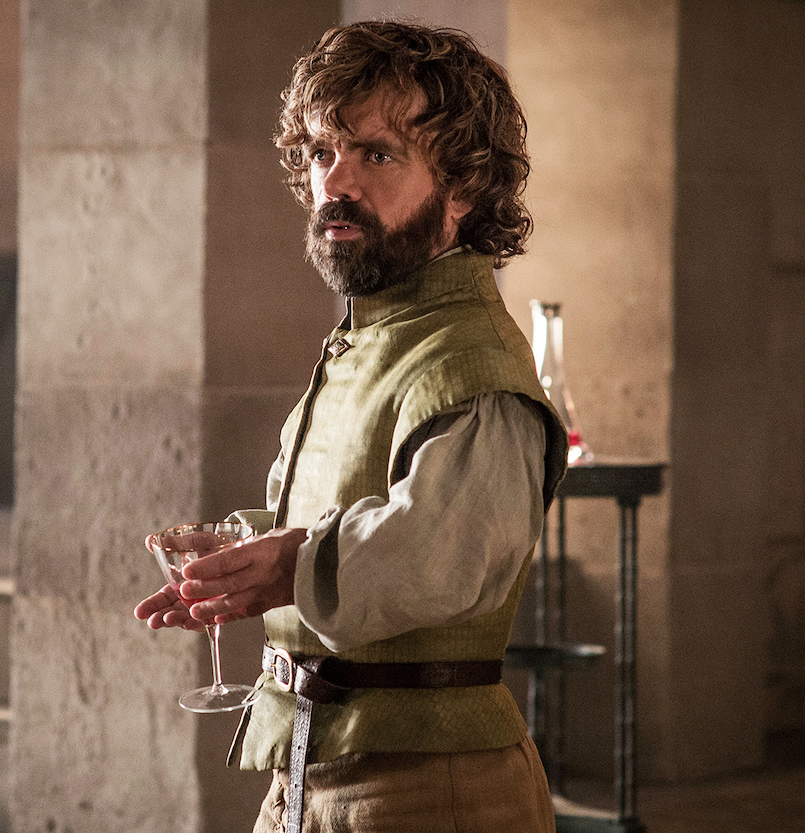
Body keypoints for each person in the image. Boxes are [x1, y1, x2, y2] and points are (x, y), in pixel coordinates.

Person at [134, 20, 569, 833]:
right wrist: (242, 557)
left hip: (430, 786)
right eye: (320, 151)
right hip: (314, 767)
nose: (334, 180)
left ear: (464, 185)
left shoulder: (471, 357)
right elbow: (343, 504)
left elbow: (440, 551)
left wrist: (286, 566)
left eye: (376, 154)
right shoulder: (375, 334)